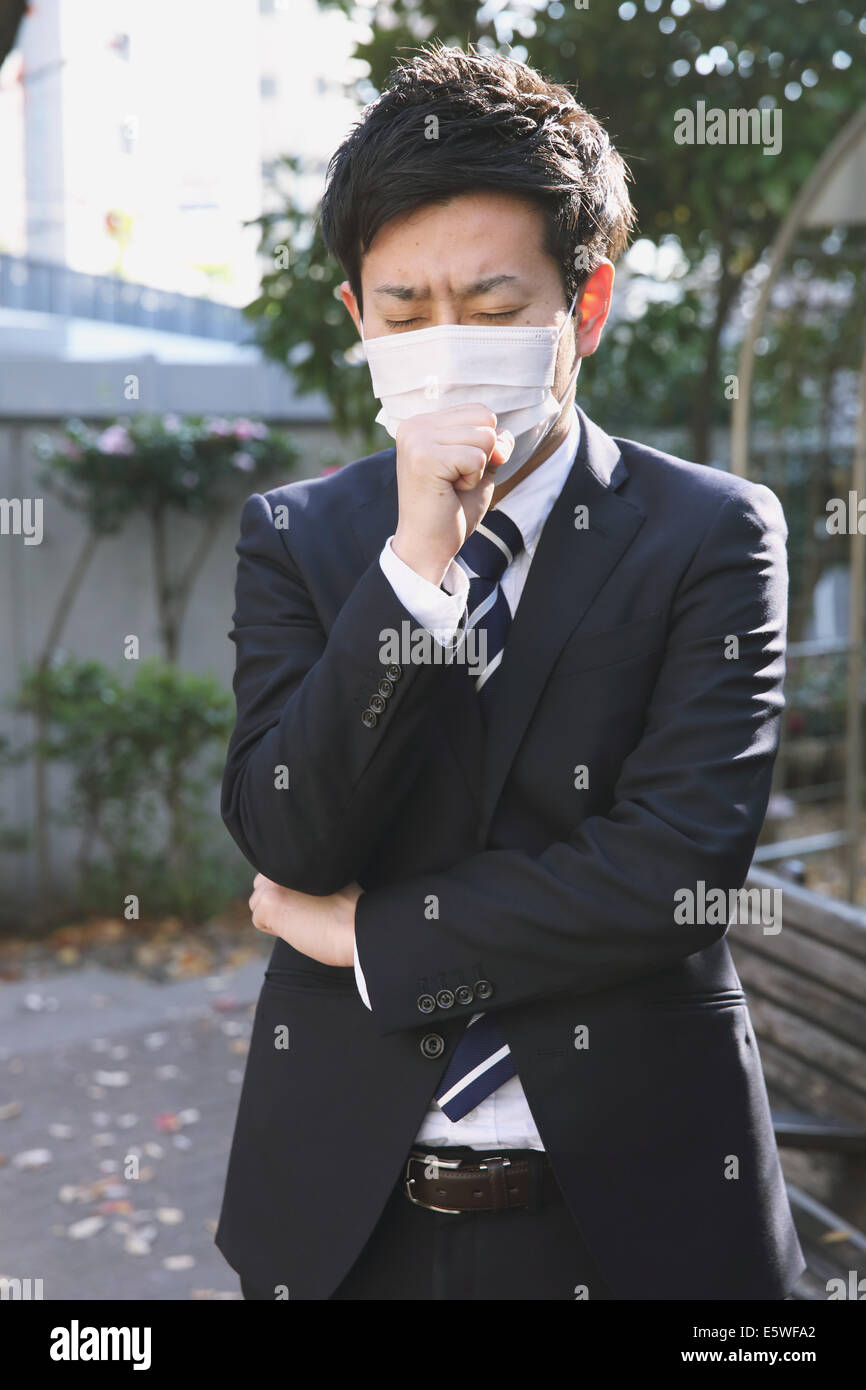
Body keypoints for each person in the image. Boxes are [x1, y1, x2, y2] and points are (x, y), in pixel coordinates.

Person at [214, 43, 805, 1301]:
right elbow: (283, 831)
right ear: (355, 318)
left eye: (490, 313)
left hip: (638, 1212)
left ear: (581, 309)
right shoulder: (298, 537)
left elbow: (672, 871)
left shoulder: (709, 530)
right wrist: (416, 568)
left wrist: (367, 935)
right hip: (341, 1217)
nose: (442, 348)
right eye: (403, 312)